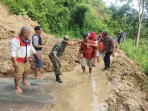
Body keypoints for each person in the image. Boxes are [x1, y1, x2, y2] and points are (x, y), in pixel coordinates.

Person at [10, 26, 41, 93]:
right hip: (19, 60)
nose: (29, 34)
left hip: (26, 60)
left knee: (27, 70)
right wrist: (14, 61)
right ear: (24, 33)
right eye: (28, 33)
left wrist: (36, 54)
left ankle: (24, 81)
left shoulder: (28, 40)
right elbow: (13, 51)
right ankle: (17, 86)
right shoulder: (16, 40)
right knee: (18, 73)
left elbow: (31, 48)